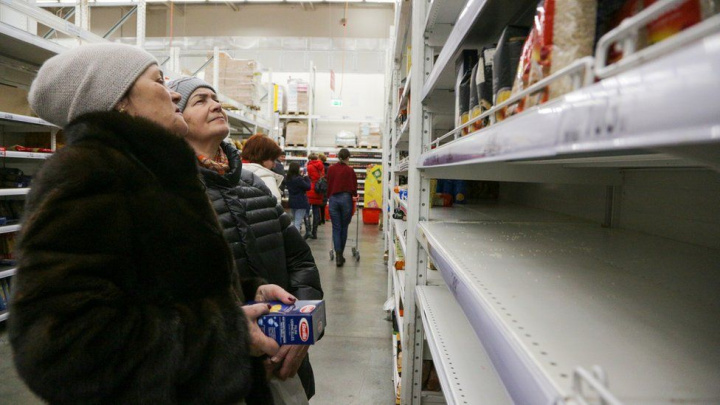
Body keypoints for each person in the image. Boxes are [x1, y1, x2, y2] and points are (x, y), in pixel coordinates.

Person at [9, 43, 293, 404]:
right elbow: (59, 346)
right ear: (120, 102)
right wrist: (227, 335)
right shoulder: (91, 175)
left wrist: (248, 295)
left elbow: (166, 285)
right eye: (159, 81)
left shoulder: (156, 172)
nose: (174, 93)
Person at [169, 77, 323, 400]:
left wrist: (305, 324)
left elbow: (300, 260)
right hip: (223, 375)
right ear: (177, 118)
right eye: (200, 100)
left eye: (216, 98)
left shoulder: (253, 185)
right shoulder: (172, 194)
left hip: (285, 359)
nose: (215, 105)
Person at [326, 148, 358, 267]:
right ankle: (340, 256)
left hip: (333, 199)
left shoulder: (331, 169)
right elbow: (354, 186)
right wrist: (354, 194)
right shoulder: (350, 170)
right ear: (348, 157)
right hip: (346, 199)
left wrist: (329, 196)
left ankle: (338, 256)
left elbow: (328, 183)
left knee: (336, 228)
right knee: (344, 228)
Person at [242, 134, 285, 202]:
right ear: (262, 157)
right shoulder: (266, 180)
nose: (274, 165)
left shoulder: (232, 174)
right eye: (272, 160)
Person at [286, 162, 312, 232]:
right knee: (297, 222)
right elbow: (308, 187)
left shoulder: (288, 178)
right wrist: (306, 177)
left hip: (292, 201)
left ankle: (292, 235)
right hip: (300, 202)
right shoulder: (299, 179)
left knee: (294, 220)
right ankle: (296, 237)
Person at [305, 153, 325, 239]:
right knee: (316, 211)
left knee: (306, 211)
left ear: (310, 159)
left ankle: (308, 231)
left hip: (310, 189)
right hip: (318, 190)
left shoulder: (309, 166)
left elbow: (307, 177)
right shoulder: (321, 166)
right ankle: (315, 232)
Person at [318, 153, 330, 225]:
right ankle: (323, 218)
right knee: (324, 203)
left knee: (319, 203)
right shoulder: (328, 167)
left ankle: (319, 219)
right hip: (326, 186)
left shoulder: (320, 166)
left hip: (320, 185)